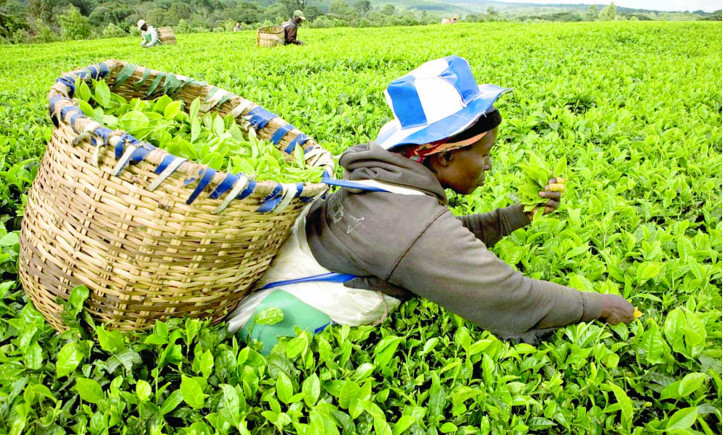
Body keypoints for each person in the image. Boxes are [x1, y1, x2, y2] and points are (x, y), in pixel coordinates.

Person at [227, 56, 635, 352]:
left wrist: (518, 215)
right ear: (443, 158)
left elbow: (440, 240)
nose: (490, 164)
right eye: (485, 153)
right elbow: (508, 295)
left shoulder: (380, 173)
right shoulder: (412, 227)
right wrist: (596, 304)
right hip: (287, 314)